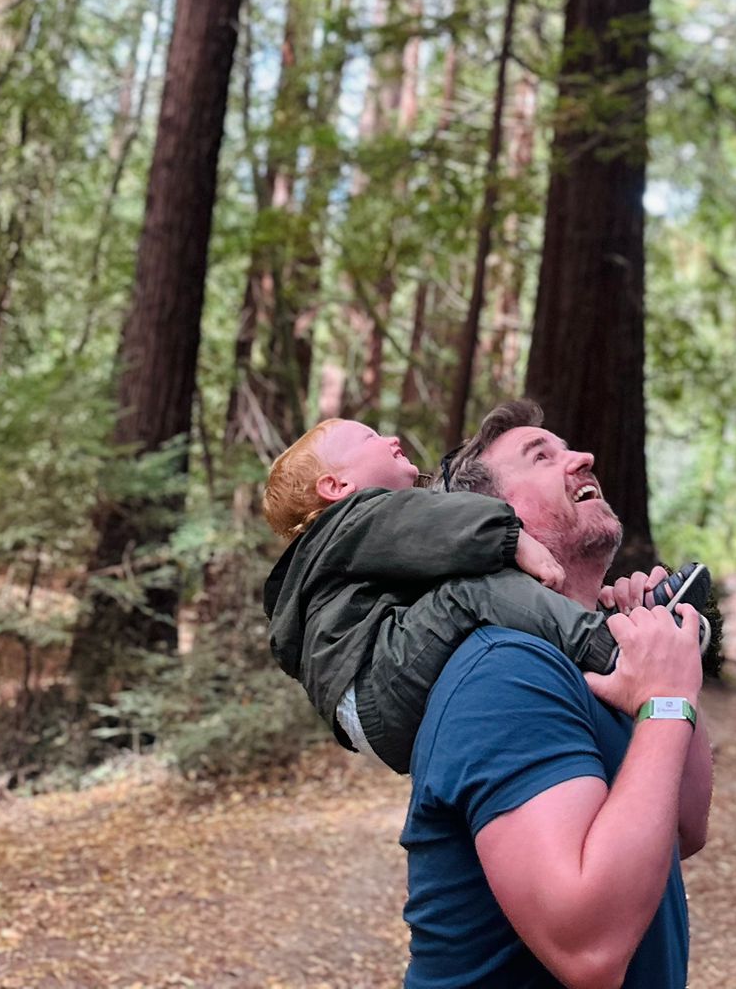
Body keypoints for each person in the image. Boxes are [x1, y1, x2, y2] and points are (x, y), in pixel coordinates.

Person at [402, 400, 713, 989]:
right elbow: (588, 949)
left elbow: (682, 829)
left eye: (566, 446)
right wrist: (665, 702)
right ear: (492, 518)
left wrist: (666, 667)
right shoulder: (505, 671)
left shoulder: (592, 661)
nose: (583, 457)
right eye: (540, 456)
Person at [262, 416, 619, 773]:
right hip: (376, 689)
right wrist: (511, 537)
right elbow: (433, 520)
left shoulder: (351, 545)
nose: (391, 438)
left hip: (373, 710)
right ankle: (609, 649)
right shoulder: (355, 518)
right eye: (370, 437)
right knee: (471, 593)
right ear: (336, 486)